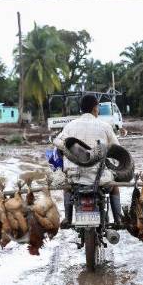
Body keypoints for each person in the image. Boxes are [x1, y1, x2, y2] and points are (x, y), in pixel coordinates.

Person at [53, 93, 123, 229]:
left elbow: (59, 146)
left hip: (75, 178)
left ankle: (67, 218)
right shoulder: (105, 126)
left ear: (81, 109)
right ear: (95, 108)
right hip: (100, 178)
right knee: (114, 187)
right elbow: (117, 149)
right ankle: (118, 219)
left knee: (66, 188)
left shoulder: (69, 126)